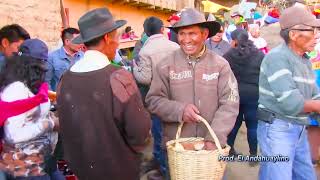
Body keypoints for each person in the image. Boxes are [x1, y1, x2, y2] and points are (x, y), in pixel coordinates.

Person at [57, 8, 151, 180]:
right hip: (118, 170)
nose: (117, 43)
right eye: (116, 38)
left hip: (81, 170)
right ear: (107, 38)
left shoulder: (65, 79)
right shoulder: (119, 77)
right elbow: (139, 132)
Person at [145, 8, 239, 178]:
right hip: (178, 149)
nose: (186, 39)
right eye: (182, 34)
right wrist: (179, 110)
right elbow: (153, 100)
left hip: (210, 149)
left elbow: (230, 103)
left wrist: (213, 137)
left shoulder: (220, 65)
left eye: (192, 33)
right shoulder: (166, 65)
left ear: (204, 35)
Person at [257, 6, 320, 180]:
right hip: (278, 128)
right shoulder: (277, 58)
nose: (317, 36)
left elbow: (314, 95)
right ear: (293, 34)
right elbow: (291, 103)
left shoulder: (305, 61)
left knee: (306, 176)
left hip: (298, 129)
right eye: (313, 30)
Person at [0, 39, 58, 179]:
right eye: (40, 68)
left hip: (42, 160)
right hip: (23, 166)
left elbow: (32, 116)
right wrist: (49, 124)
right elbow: (12, 135)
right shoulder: (16, 89)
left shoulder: (35, 86)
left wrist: (52, 116)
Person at [132, 16, 179, 177]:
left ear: (145, 32)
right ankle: (171, 167)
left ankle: (163, 169)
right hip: (176, 97)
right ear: (162, 30)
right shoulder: (174, 46)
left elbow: (144, 78)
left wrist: (135, 68)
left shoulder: (146, 50)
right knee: (174, 133)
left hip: (157, 99)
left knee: (159, 133)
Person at [223, 29, 264, 164]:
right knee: (253, 126)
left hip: (235, 95)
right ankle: (253, 156)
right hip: (254, 95)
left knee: (234, 124)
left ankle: (229, 151)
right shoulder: (259, 54)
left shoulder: (228, 56)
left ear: (234, 40)